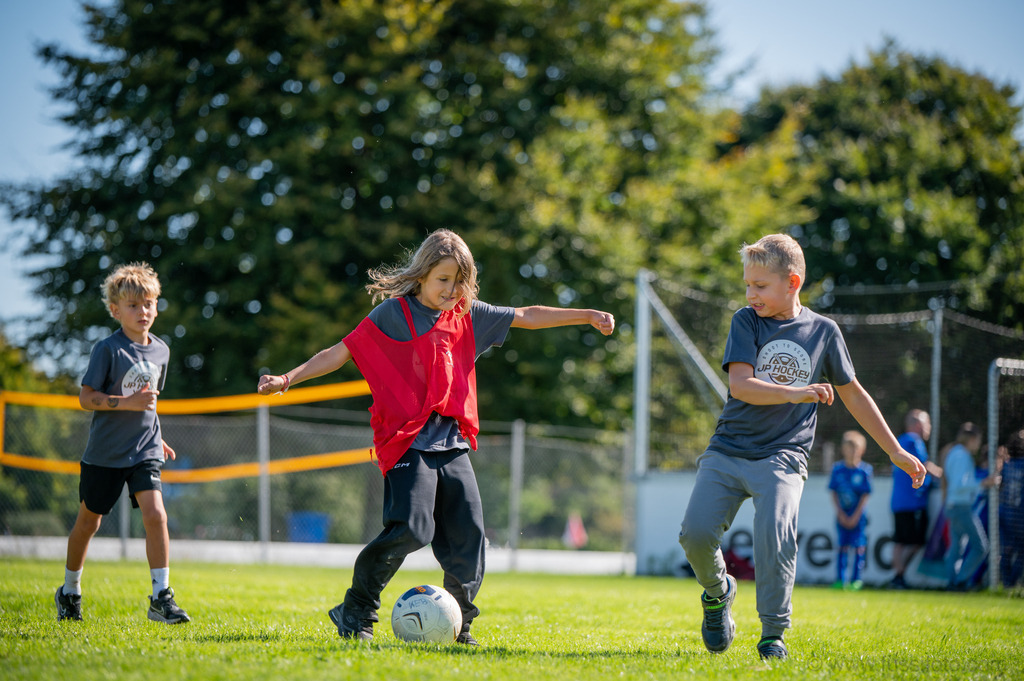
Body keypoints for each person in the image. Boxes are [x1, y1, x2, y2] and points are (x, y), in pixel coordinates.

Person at [256, 229, 614, 645]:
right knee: (412, 527)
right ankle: (356, 609)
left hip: (452, 440)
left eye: (460, 281)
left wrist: (586, 314)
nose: (452, 289)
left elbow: (527, 315)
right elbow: (341, 352)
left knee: (469, 531)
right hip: (407, 439)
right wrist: (288, 378)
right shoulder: (393, 314)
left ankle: (460, 624)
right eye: (443, 279)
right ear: (423, 275)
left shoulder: (467, 314)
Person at [677, 234, 926, 662]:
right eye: (748, 284)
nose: (750, 293)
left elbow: (854, 395)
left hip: (783, 455)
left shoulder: (824, 332)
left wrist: (894, 451)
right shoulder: (746, 321)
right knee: (695, 536)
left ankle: (773, 634)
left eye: (760, 285)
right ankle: (719, 593)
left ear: (792, 282)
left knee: (775, 534)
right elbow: (740, 385)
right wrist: (794, 392)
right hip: (729, 449)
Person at [55, 263, 190, 624]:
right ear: (116, 310)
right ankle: (69, 590)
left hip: (144, 449)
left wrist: (158, 437)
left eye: (149, 303)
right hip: (105, 454)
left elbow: (151, 401)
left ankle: (161, 596)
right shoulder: (107, 350)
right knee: (88, 523)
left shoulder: (161, 351)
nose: (142, 311)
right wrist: (124, 403)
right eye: (133, 305)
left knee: (156, 514)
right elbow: (86, 398)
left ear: (157, 306)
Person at [889, 408, 941, 589]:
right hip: (912, 502)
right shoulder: (913, 440)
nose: (929, 427)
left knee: (903, 541)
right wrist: (944, 476)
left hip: (901, 502)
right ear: (918, 424)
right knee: (910, 542)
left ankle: (898, 577)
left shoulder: (899, 442)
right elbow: (924, 465)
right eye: (927, 423)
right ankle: (899, 576)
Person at [943, 422, 999, 590]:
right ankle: (960, 581)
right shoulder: (962, 455)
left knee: (956, 547)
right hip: (961, 506)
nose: (978, 444)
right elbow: (960, 484)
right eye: (978, 440)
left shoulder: (953, 453)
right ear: (972, 439)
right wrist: (984, 483)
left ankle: (952, 583)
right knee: (981, 546)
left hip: (953, 505)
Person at [828, 430, 873, 590]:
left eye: (855, 448)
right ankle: (840, 580)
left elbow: (865, 496)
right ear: (843, 449)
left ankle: (856, 580)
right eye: (849, 448)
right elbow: (833, 492)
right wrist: (840, 513)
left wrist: (855, 515)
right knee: (842, 547)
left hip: (858, 517)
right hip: (842, 516)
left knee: (859, 547)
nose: (852, 452)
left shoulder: (865, 471)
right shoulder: (837, 469)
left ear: (862, 450)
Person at [998, 428, 1024, 587]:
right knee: (1021, 551)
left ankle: (1007, 583)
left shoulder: (1007, 466)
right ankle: (1012, 584)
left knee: (1006, 550)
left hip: (1005, 511)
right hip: (1020, 514)